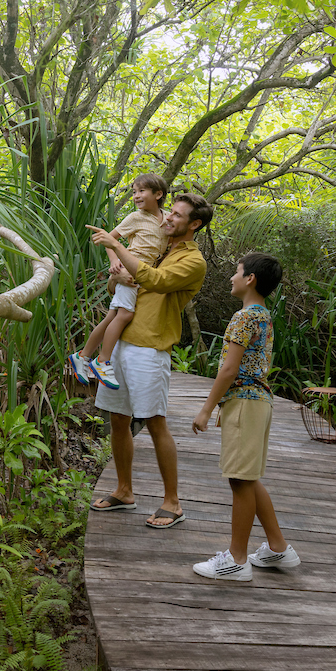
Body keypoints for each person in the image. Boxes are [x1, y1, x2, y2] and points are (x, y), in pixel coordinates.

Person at [84, 193, 210, 529]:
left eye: (178, 215)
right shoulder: (155, 245)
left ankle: (173, 502)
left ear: (194, 224)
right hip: (120, 342)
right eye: (171, 212)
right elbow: (117, 287)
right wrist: (116, 275)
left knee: (155, 422)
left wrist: (116, 244)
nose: (168, 218)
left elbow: (157, 281)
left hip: (150, 347)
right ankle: (124, 491)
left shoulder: (193, 261)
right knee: (118, 420)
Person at [190, 252, 301, 580]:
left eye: (236, 272)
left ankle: (237, 560)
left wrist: (206, 409)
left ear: (250, 278)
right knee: (247, 477)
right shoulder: (263, 315)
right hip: (259, 401)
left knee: (239, 479)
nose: (231, 277)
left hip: (244, 401)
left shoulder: (243, 317)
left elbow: (229, 369)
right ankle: (278, 547)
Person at [68, 174, 169, 390]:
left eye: (141, 191)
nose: (136, 196)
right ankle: (103, 360)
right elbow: (110, 239)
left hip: (143, 275)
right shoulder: (135, 218)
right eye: (134, 192)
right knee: (125, 315)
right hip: (129, 271)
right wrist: (115, 262)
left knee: (111, 317)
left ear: (158, 194)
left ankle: (82, 355)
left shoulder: (167, 218)